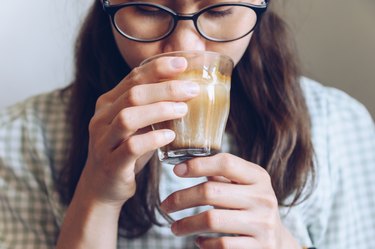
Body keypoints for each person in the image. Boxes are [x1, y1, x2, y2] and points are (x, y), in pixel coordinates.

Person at [0, 0, 374, 248]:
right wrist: (95, 198)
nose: (186, 47)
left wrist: (281, 240)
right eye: (148, 8)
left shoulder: (339, 126)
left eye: (220, 10)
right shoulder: (21, 137)